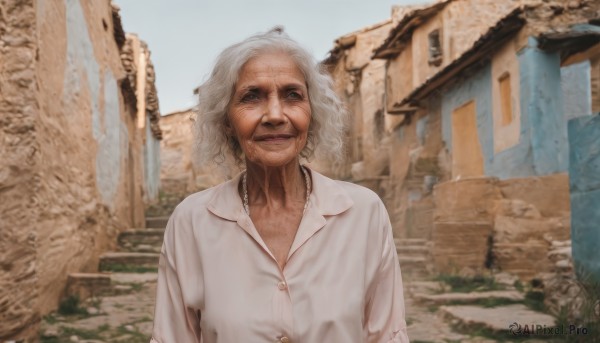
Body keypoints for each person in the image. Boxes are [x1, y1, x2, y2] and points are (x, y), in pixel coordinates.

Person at [150, 27, 409, 343]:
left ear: (311, 114)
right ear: (227, 122)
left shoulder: (363, 214)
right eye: (252, 97)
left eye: (292, 95)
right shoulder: (191, 222)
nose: (275, 114)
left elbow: (387, 336)